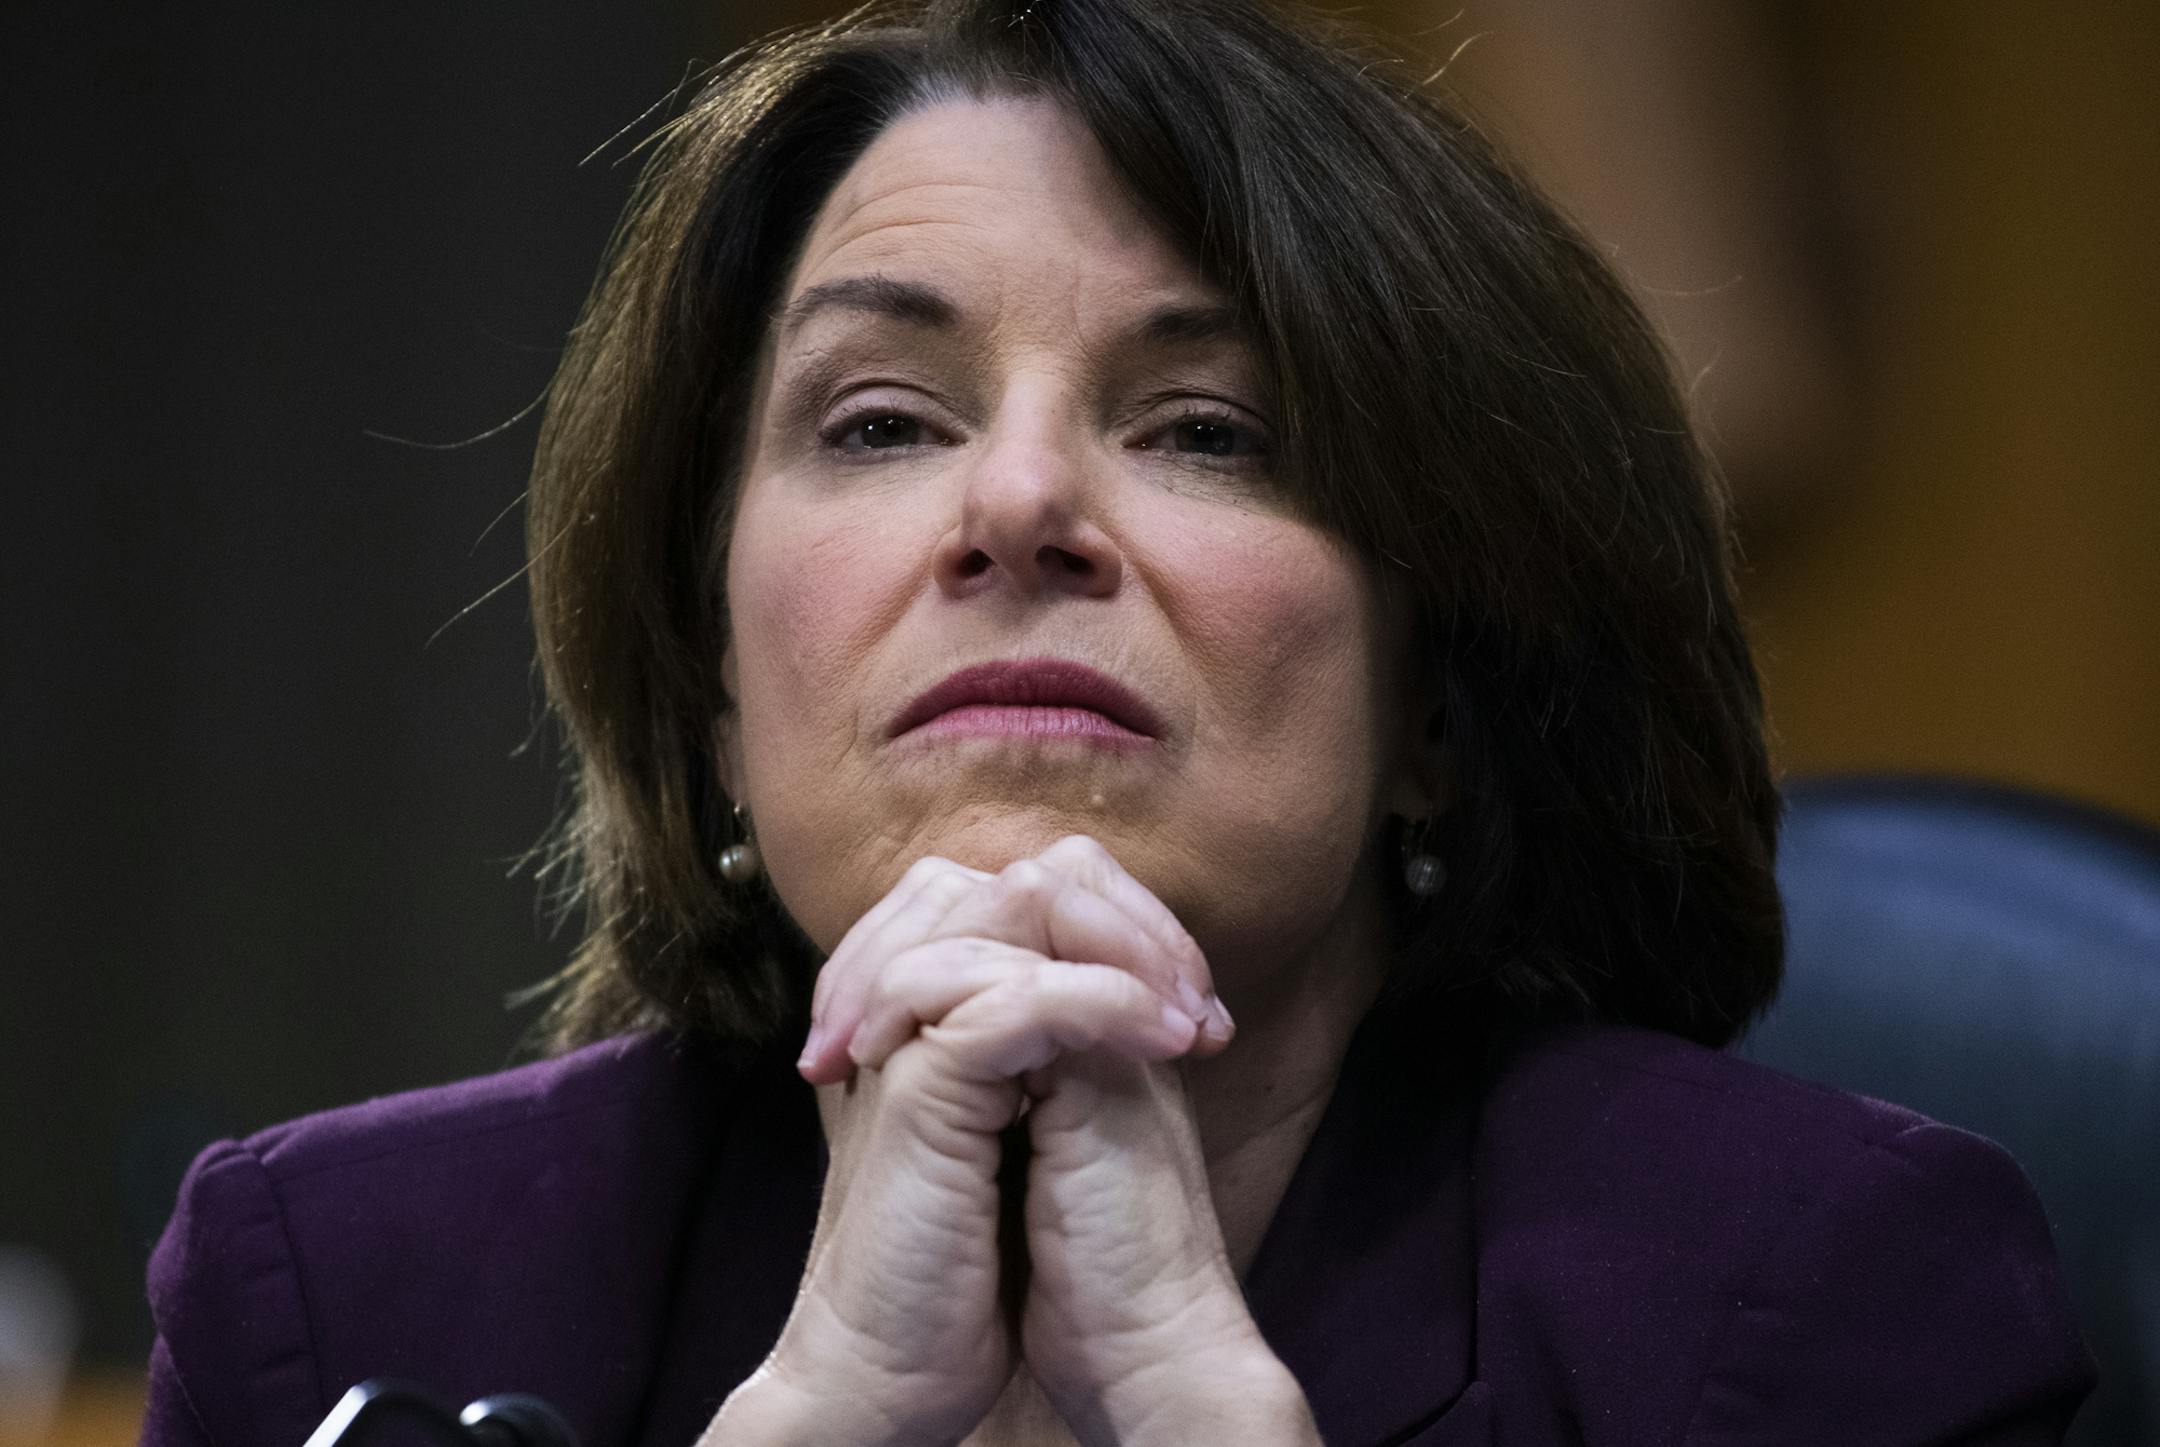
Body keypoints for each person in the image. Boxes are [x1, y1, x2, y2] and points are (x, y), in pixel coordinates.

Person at [140, 1, 2096, 1443]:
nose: (1013, 506)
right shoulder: (343, 1285)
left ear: (1439, 696)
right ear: (717, 695)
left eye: (1210, 432)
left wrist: (1197, 1410)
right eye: (883, 421)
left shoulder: (1814, 1297)